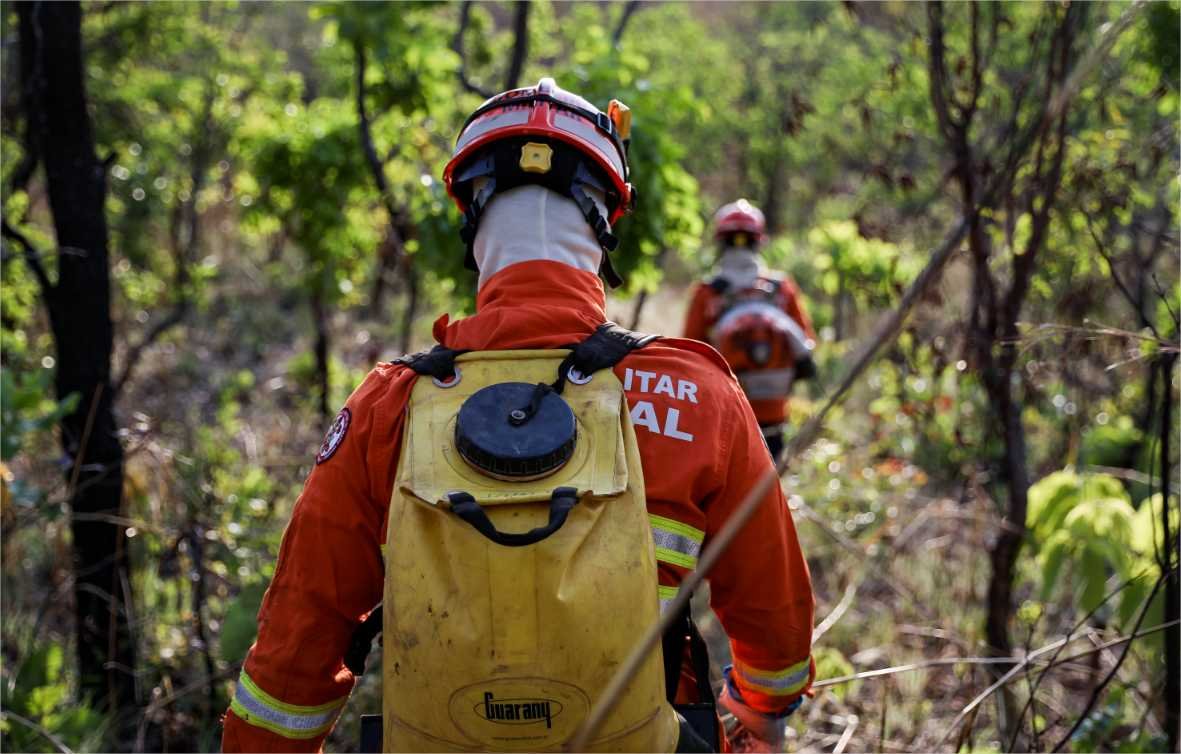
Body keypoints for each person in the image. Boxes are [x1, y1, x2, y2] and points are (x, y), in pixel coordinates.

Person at [221, 79, 813, 754]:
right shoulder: (695, 392)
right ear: (606, 220)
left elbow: (294, 653)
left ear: (470, 215)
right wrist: (754, 714)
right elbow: (777, 634)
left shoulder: (387, 407)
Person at [683, 201, 817, 460]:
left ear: (720, 241)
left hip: (725, 411)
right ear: (760, 240)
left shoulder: (707, 292)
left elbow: (690, 353)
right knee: (770, 484)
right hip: (775, 413)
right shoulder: (781, 288)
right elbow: (807, 343)